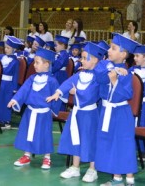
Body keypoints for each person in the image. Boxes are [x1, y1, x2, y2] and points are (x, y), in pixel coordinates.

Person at [47, 42, 107, 183]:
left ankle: (93, 169)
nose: (81, 60)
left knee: (90, 140)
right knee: (75, 138)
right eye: (82, 57)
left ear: (95, 60)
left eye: (85, 57)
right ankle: (75, 167)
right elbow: (69, 82)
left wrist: (76, 92)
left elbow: (91, 95)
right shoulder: (80, 74)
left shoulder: (98, 77)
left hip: (89, 115)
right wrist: (58, 92)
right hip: (76, 113)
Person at [94, 33, 139, 186]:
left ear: (124, 54)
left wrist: (115, 81)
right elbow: (98, 77)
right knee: (109, 142)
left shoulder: (126, 73)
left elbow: (126, 94)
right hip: (106, 110)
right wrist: (111, 69)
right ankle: (116, 177)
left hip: (120, 113)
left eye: (113, 48)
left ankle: (125, 177)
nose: (109, 51)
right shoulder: (105, 65)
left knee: (122, 143)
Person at [8, 47, 61, 169]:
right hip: (30, 112)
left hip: (44, 113)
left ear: (47, 64)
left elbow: (57, 97)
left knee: (44, 135)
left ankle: (47, 157)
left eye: (37, 62)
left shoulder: (52, 81)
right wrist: (14, 99)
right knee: (28, 133)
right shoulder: (32, 78)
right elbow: (23, 90)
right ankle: (26, 155)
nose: (34, 65)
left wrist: (53, 109)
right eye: (34, 62)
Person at [0, 36, 20, 129]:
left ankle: (6, 121)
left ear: (14, 49)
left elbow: (15, 75)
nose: (5, 50)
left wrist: (14, 89)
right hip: (1, 82)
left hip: (8, 84)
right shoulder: (2, 57)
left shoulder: (15, 61)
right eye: (5, 47)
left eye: (8, 48)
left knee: (6, 102)